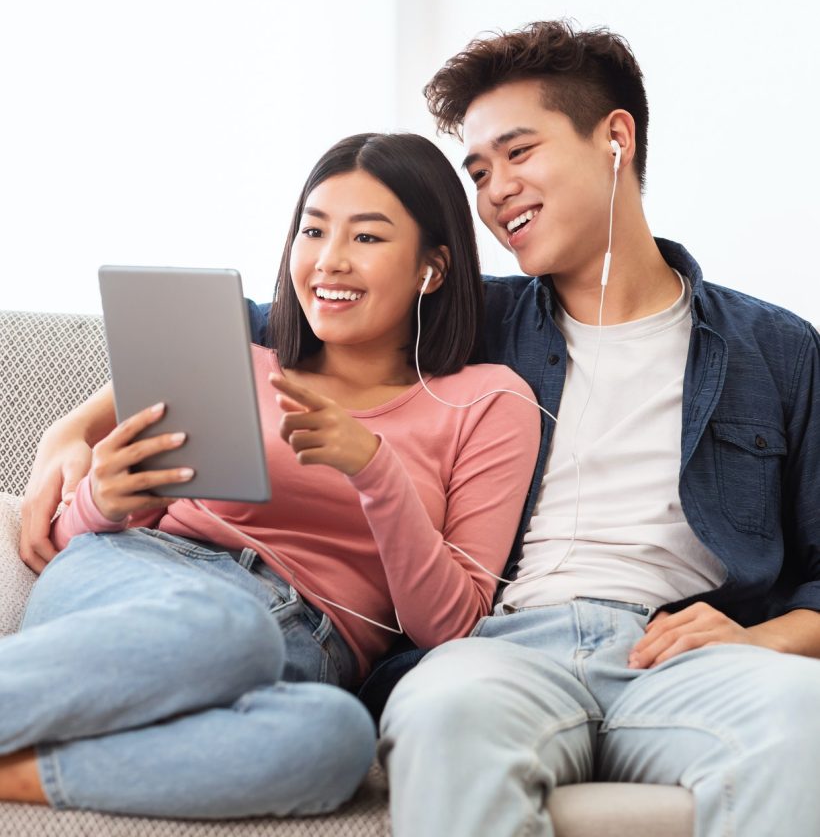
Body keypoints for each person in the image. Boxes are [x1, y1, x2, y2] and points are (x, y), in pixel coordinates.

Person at [0, 132, 539, 818]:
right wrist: (100, 501)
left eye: (367, 238)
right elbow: (72, 535)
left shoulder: (489, 401)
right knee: (228, 624)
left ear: (431, 268)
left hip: (303, 649)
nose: (329, 261)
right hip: (139, 583)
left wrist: (375, 470)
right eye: (313, 231)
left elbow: (452, 625)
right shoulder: (235, 355)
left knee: (337, 739)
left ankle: (21, 773)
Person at [373, 22, 820, 836]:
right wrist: (79, 428)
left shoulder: (778, 349)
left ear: (616, 138)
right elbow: (280, 328)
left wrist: (766, 638)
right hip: (505, 652)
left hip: (683, 659)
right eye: (478, 170)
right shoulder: (467, 322)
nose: (494, 189)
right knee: (440, 710)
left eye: (518, 152)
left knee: (802, 714)